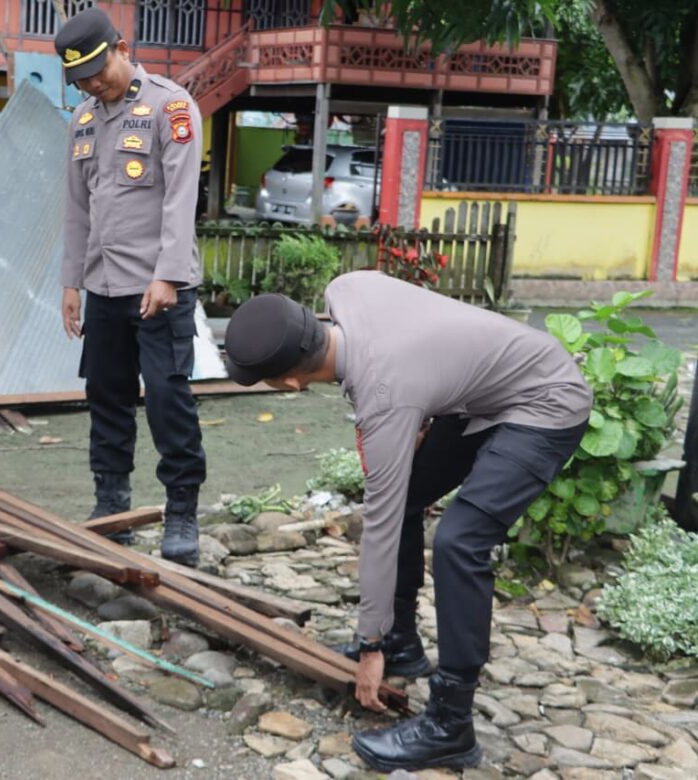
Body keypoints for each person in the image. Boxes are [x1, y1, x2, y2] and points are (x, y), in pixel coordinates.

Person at [223, 272, 592, 772]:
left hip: (547, 400)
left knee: (459, 542)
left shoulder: (385, 395)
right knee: (411, 493)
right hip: (482, 391)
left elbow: (380, 522)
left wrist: (368, 646)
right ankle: (402, 643)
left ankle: (451, 723)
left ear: (290, 383)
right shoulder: (347, 287)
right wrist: (419, 408)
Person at [54, 8, 206, 565]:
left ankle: (181, 510)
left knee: (167, 398)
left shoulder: (170, 106)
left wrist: (167, 275)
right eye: (82, 79)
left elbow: (181, 198)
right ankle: (111, 504)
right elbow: (77, 207)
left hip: (159, 286)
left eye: (99, 71)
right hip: (103, 284)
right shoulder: (82, 120)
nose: (94, 84)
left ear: (122, 48)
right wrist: (71, 282)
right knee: (106, 396)